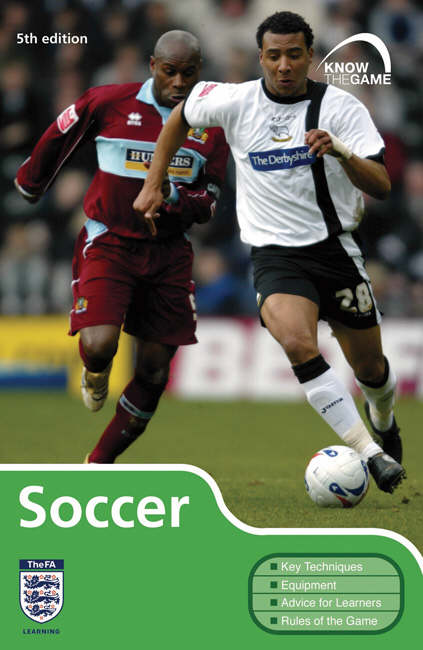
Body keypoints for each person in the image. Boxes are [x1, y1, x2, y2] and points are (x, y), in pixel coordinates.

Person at [133, 12, 405, 494]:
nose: (284, 65)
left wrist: (341, 151)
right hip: (275, 255)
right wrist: (154, 182)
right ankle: (371, 453)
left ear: (310, 56)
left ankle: (383, 420)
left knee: (371, 370)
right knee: (298, 344)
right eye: (274, 55)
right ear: (260, 57)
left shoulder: (341, 108)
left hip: (336, 251)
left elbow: (382, 184)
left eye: (294, 55)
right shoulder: (235, 100)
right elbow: (180, 116)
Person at [15, 30, 229, 463]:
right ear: (153, 66)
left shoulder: (212, 127)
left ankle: (98, 463)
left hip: (169, 251)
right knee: (99, 346)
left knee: (154, 370)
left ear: (199, 72)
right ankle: (95, 372)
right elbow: (61, 131)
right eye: (169, 71)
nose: (179, 82)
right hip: (109, 241)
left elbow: (209, 202)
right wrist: (31, 182)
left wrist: (173, 196)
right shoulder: (110, 101)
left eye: (188, 73)